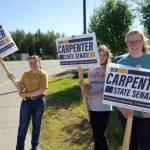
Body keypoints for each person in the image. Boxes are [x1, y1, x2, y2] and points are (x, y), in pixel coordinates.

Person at [117, 29, 150, 150]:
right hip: (127, 114)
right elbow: (114, 91)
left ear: (142, 42)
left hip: (147, 115)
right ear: (126, 44)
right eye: (130, 42)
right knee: (131, 145)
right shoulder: (121, 63)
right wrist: (121, 108)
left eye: (137, 41)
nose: (134, 44)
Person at [81, 45, 112, 150]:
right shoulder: (91, 69)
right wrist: (84, 87)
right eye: (99, 55)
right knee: (95, 136)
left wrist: (90, 95)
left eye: (104, 55)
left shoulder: (110, 69)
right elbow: (90, 86)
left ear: (107, 57)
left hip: (104, 108)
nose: (102, 57)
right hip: (92, 107)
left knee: (100, 136)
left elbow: (108, 91)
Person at [16, 55, 48, 150]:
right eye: (30, 63)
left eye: (35, 62)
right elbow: (21, 88)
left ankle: (34, 146)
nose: (33, 65)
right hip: (26, 103)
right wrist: (17, 84)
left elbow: (41, 90)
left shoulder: (43, 74)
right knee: (23, 126)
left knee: (36, 125)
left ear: (39, 62)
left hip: (39, 102)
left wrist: (25, 95)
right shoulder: (25, 74)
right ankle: (19, 148)